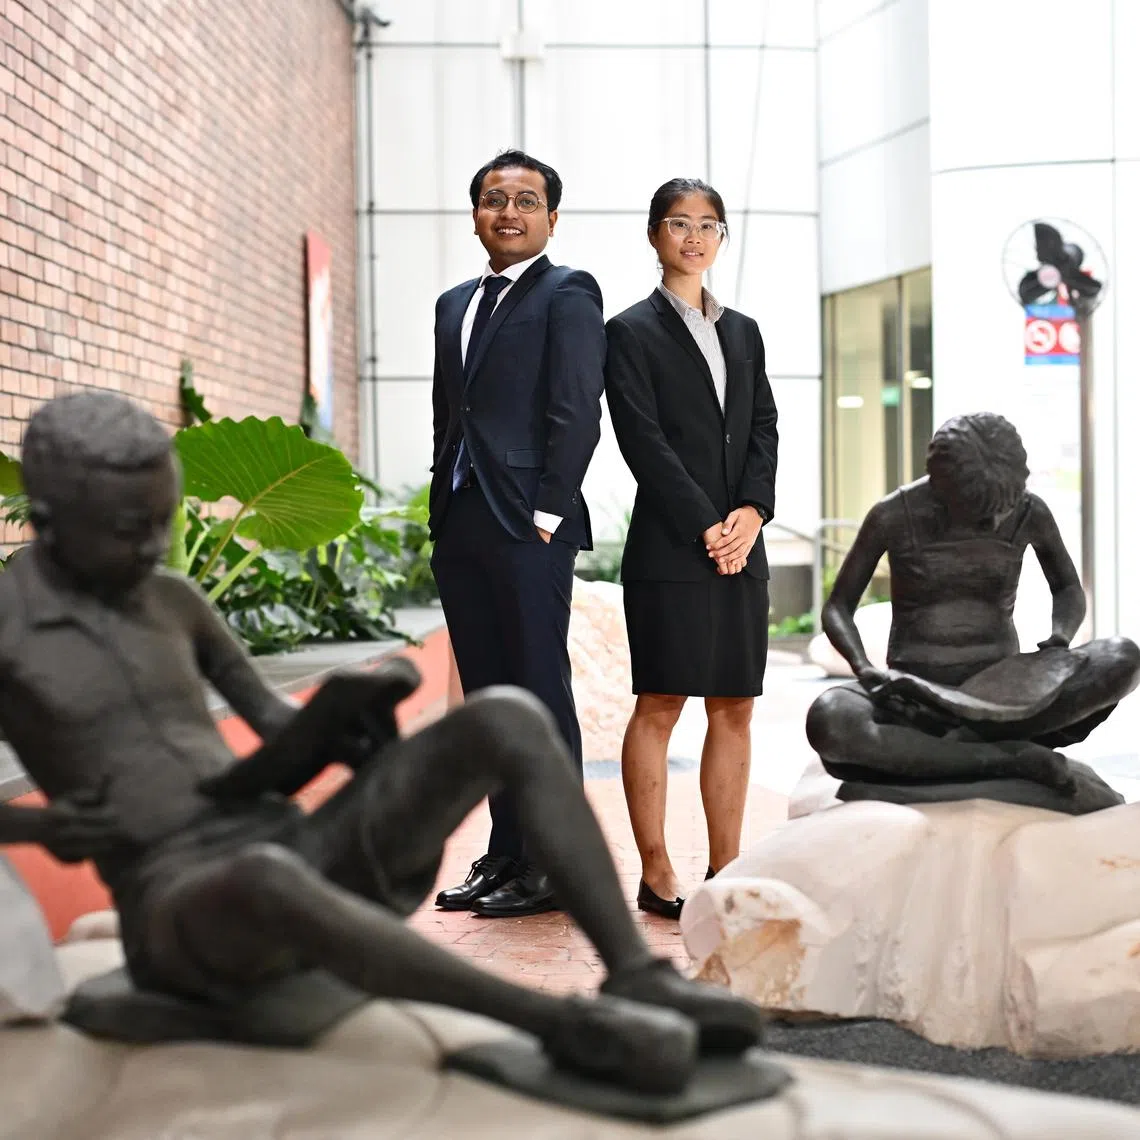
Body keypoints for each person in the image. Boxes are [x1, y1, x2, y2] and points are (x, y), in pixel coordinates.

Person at [0, 392, 767, 1094]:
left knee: (504, 714)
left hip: (286, 844)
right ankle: (556, 1025)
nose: (153, 547)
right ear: (49, 517)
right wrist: (40, 826)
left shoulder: (169, 599)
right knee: (264, 876)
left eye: (162, 523)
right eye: (130, 530)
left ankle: (634, 975)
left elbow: (275, 735)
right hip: (180, 913)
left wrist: (345, 726)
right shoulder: (11, 631)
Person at [428, 150, 606, 918]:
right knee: (493, 699)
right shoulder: (451, 303)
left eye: (526, 201)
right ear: (474, 214)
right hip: (463, 518)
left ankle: (552, 860)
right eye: (494, 199)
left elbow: (577, 407)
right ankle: (507, 854)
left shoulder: (568, 292)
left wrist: (547, 512)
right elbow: (450, 412)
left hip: (529, 525)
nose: (509, 212)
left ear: (550, 218)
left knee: (539, 691)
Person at [805, 411, 1140, 813]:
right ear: (943, 488)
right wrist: (864, 668)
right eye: (980, 512)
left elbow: (1067, 587)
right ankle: (1007, 759)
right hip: (915, 694)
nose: (995, 521)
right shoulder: (895, 514)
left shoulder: (1030, 512)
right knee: (831, 718)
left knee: (1123, 655)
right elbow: (839, 606)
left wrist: (1059, 638)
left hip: (1007, 691)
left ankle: (944, 754)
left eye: (1003, 509)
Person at [604, 178, 779, 918]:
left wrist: (752, 513)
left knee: (734, 704)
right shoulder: (629, 332)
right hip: (673, 545)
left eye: (709, 225)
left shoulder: (743, 332)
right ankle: (654, 868)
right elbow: (640, 438)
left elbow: (764, 427)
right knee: (662, 699)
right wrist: (706, 523)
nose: (695, 237)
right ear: (655, 235)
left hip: (741, 541)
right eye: (679, 223)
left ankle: (728, 867)